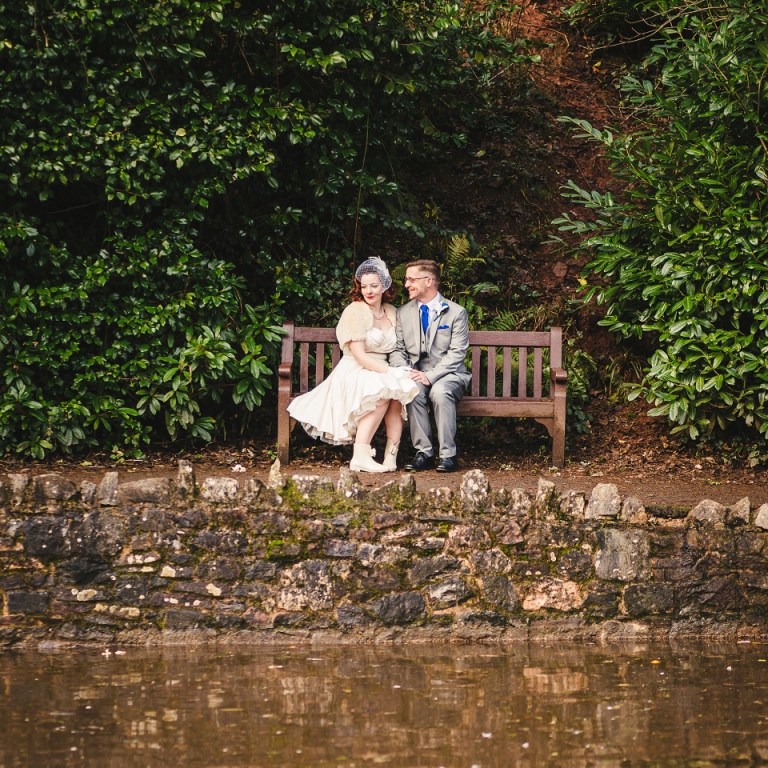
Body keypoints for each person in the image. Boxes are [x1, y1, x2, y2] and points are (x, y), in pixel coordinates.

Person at [287, 257, 418, 473]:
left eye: (374, 286)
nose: (369, 291)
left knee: (397, 397)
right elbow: (359, 355)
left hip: (382, 368)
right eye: (364, 286)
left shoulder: (392, 312)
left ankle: (390, 457)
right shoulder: (356, 311)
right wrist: (391, 372)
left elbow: (399, 347)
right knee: (384, 389)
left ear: (385, 286)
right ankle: (360, 454)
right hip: (356, 368)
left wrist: (399, 369)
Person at [388, 259, 472, 472]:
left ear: (429, 281)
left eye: (411, 279)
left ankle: (448, 455)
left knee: (440, 392)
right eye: (406, 279)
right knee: (413, 390)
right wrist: (406, 371)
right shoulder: (403, 312)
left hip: (450, 375)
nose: (406, 284)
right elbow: (397, 349)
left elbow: (457, 353)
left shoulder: (456, 312)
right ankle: (424, 452)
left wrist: (431, 376)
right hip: (417, 372)